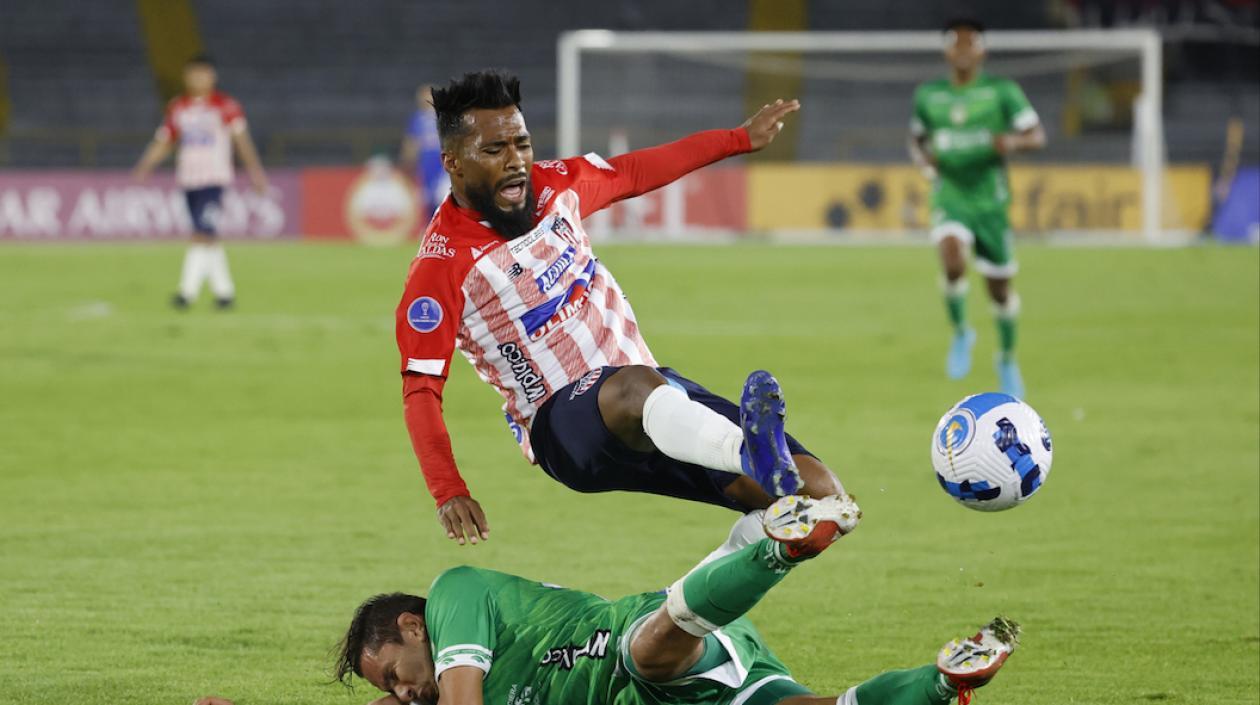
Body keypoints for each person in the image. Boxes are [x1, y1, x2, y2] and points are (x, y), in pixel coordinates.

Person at [395, 69, 846, 547]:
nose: (516, 162)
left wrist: (737, 139)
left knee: (821, 503)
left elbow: (634, 172)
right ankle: (750, 452)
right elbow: (421, 389)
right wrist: (449, 490)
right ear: (453, 163)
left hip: (654, 400)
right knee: (635, 388)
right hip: (562, 424)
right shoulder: (440, 268)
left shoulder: (556, 186)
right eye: (494, 150)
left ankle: (678, 614)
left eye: (521, 144)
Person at [195, 494, 1021, 705]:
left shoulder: (454, 598)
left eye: (393, 671)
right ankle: (942, 680)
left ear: (412, 626)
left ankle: (772, 542)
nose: (401, 689)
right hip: (690, 687)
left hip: (632, 646)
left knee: (646, 645)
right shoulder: (432, 683)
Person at [906, 19, 1046, 398]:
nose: (964, 51)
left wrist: (1013, 143)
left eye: (971, 44)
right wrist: (925, 164)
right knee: (952, 261)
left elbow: (1036, 133)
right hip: (951, 195)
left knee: (999, 291)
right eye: (957, 44)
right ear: (948, 51)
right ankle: (962, 332)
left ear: (981, 50)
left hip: (991, 201)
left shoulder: (1001, 92)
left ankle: (1005, 356)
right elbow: (917, 139)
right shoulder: (929, 95)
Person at [133, 53, 268, 310]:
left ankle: (187, 293)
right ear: (186, 77)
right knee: (208, 234)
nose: (198, 78)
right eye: (194, 74)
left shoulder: (225, 106)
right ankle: (225, 293)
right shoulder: (178, 107)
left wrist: (255, 172)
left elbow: (242, 141)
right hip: (188, 179)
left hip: (213, 179)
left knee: (200, 233)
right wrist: (145, 165)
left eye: (203, 74)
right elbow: (165, 141)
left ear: (212, 76)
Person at [400, 85, 452, 221]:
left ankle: (447, 231)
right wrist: (409, 163)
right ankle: (430, 230)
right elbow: (411, 143)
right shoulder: (417, 119)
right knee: (427, 200)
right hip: (426, 166)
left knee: (442, 198)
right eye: (423, 96)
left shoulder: (444, 117)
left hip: (443, 166)